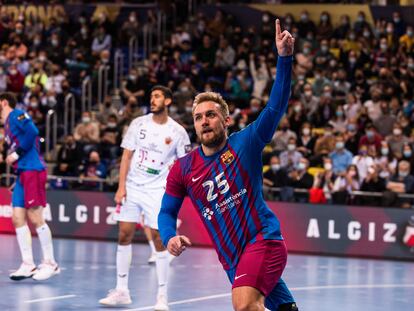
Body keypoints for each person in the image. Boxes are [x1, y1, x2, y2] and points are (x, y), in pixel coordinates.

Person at [159, 20, 298, 311]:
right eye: (198, 117)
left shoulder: (245, 143)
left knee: (244, 305)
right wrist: (169, 236)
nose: (204, 121)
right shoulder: (183, 169)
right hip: (232, 258)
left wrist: (284, 59)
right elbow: (167, 211)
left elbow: (275, 107)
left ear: (226, 120)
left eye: (211, 115)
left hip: (263, 241)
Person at [99, 85, 191, 310]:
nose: (153, 100)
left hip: (157, 190)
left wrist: (174, 188)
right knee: (124, 234)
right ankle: (122, 291)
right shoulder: (137, 123)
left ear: (168, 101)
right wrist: (121, 187)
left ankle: (162, 297)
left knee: (159, 240)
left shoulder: (178, 131)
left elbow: (185, 165)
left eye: (157, 96)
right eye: (151, 96)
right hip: (132, 186)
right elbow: (126, 155)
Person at [0, 92, 60, 281]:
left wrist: (16, 155)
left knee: (35, 216)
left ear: (4, 102)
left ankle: (50, 263)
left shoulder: (16, 115)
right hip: (22, 174)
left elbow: (33, 132)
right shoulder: (7, 125)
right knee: (17, 217)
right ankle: (28, 264)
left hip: (33, 170)